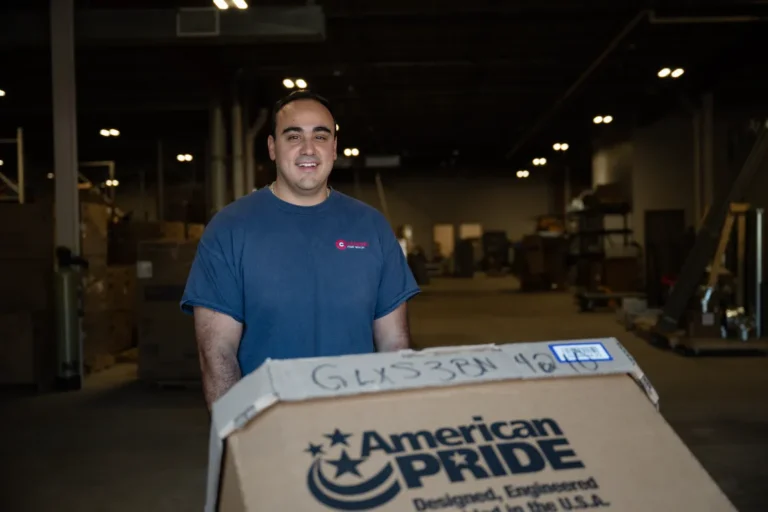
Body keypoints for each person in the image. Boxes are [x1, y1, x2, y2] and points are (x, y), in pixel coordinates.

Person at [180, 90, 420, 409]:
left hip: (359, 425)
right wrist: (237, 434)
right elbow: (216, 352)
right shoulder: (229, 229)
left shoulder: (371, 227)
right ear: (272, 148)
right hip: (269, 428)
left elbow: (395, 345)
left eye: (320, 136)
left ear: (334, 148)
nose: (308, 148)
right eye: (293, 136)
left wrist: (396, 423)